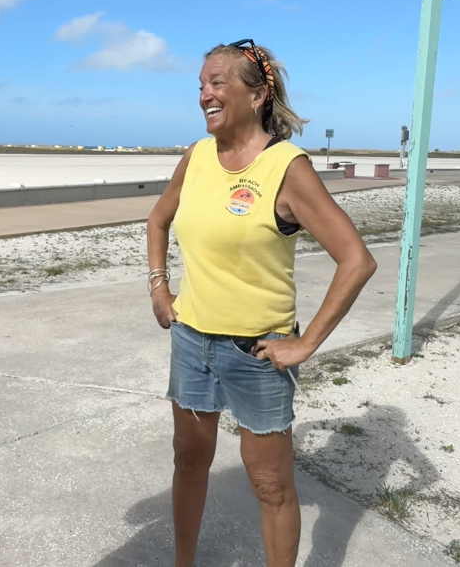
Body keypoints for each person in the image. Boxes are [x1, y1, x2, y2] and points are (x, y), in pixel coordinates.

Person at [146, 40, 377, 567]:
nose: (205, 94)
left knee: (270, 486)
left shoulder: (286, 167)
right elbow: (158, 219)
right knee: (188, 462)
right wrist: (160, 289)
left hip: (255, 353)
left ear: (256, 95)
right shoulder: (197, 155)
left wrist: (305, 344)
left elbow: (357, 260)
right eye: (201, 85)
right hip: (190, 341)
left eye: (217, 82)